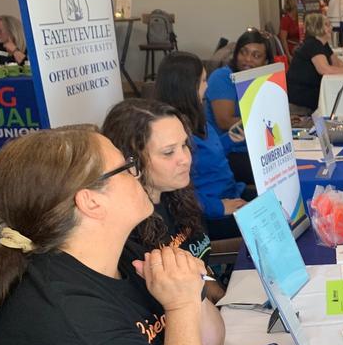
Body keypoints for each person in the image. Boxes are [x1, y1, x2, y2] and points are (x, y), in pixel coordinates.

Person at [0, 126, 224, 345]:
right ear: (91, 202)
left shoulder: (123, 255)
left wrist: (190, 291)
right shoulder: (76, 325)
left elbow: (211, 342)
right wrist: (182, 306)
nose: (137, 173)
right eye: (125, 168)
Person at [103, 98, 226, 303]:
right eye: (168, 152)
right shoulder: (126, 232)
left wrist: (224, 299)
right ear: (131, 161)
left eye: (184, 145)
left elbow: (203, 269)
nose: (185, 158)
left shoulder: (177, 194)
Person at [156, 52, 254, 240]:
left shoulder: (197, 116)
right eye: (202, 81)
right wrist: (220, 207)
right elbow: (178, 194)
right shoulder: (173, 133)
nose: (207, 87)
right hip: (209, 212)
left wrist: (228, 140)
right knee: (273, 219)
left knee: (278, 203)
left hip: (230, 192)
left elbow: (207, 157)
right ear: (187, 87)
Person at [205, 29, 274, 184]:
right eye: (243, 52)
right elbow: (225, 122)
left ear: (266, 62)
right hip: (228, 152)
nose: (247, 59)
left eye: (256, 55)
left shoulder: (262, 79)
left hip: (256, 147)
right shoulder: (223, 77)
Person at [287, 13, 343, 116]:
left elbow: (337, 63)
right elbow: (324, 69)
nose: (331, 28)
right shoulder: (312, 44)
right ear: (317, 28)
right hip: (301, 99)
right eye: (327, 25)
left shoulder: (322, 43)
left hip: (309, 93)